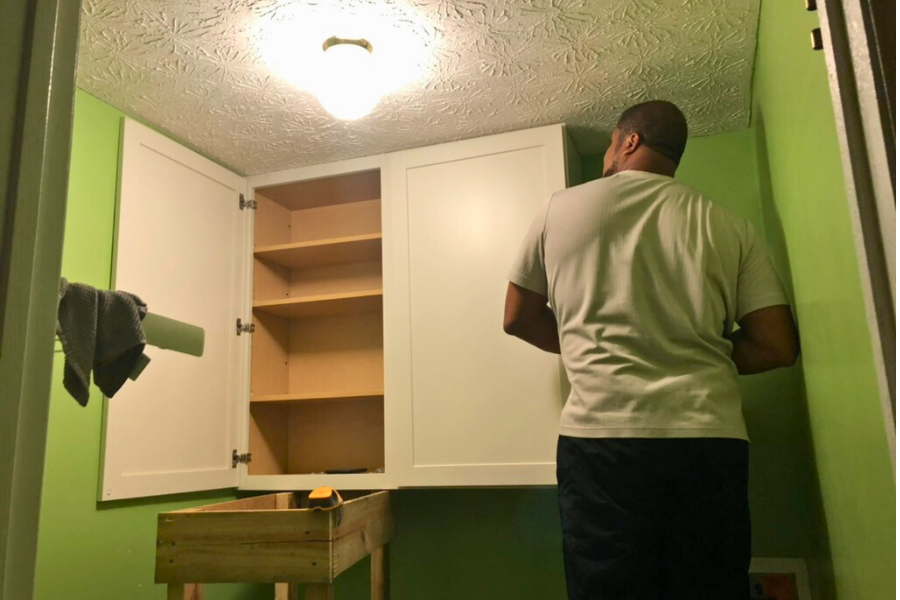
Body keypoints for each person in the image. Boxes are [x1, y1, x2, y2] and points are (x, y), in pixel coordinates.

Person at [503, 100, 799, 600]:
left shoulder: (561, 208)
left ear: (629, 141)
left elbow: (517, 317)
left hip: (601, 441)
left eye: (608, 148)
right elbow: (776, 346)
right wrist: (693, 348)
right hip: (708, 438)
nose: (604, 162)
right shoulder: (729, 226)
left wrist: (586, 347)